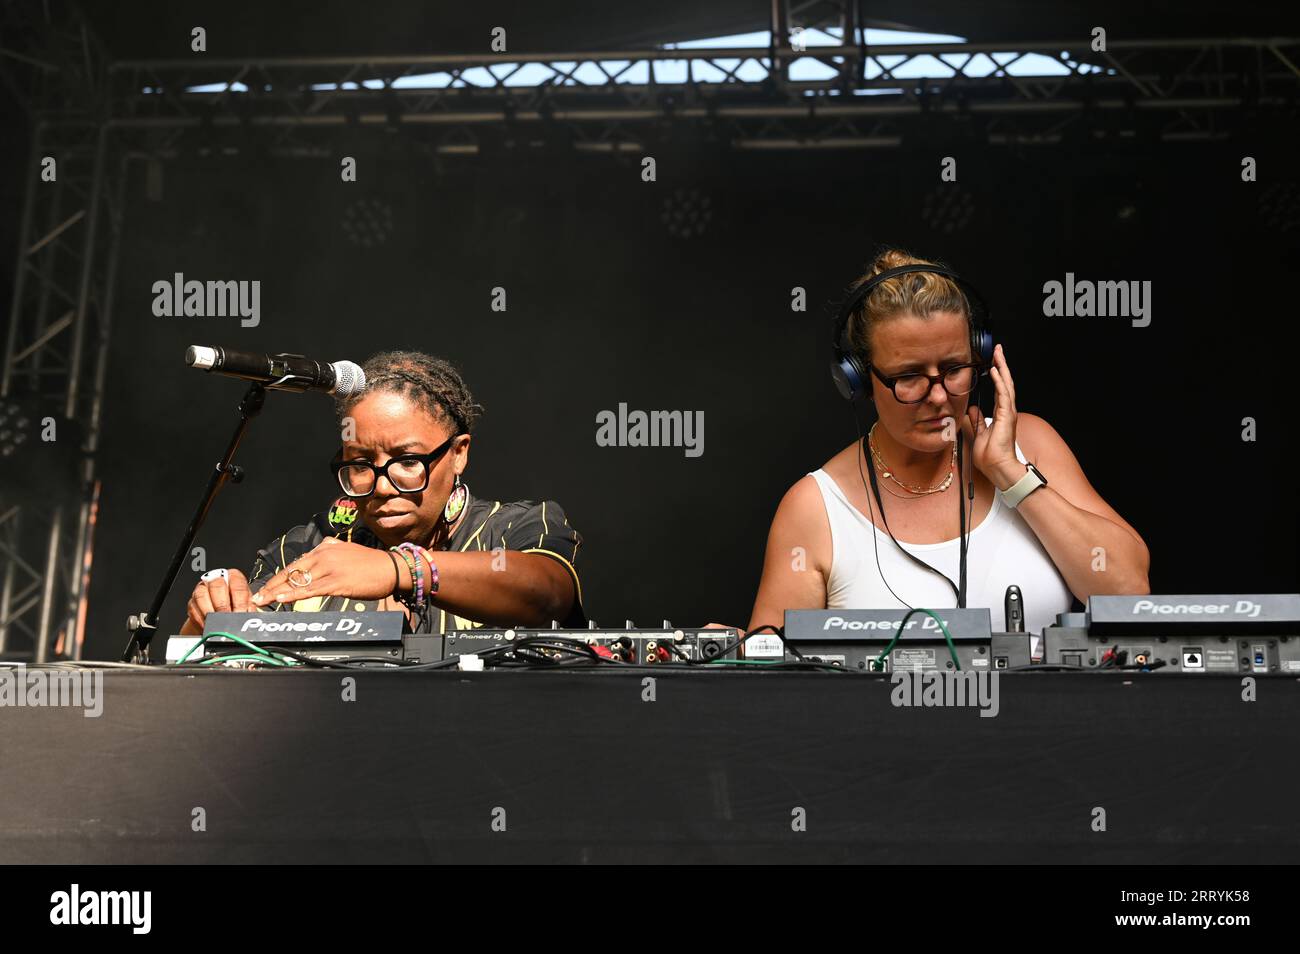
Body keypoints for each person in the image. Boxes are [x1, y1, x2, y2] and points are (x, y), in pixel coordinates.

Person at [745, 248, 1149, 637]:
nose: (938, 396)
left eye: (954, 369)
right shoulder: (815, 508)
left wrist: (1012, 475)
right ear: (859, 381)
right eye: (909, 377)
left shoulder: (1033, 446)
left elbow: (1130, 592)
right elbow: (773, 675)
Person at [180, 351, 584, 636]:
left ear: (458, 454)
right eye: (360, 465)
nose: (383, 486)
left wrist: (399, 570)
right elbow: (218, 663)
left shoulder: (515, 527)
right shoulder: (306, 547)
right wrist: (209, 619)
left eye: (407, 461)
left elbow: (548, 595)